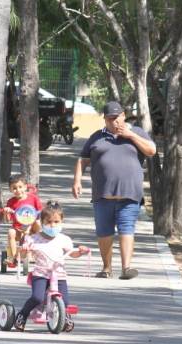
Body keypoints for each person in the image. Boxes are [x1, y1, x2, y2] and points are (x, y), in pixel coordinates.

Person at [71, 101, 156, 280]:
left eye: (117, 118)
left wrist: (130, 135)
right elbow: (83, 160)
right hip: (103, 194)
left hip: (130, 193)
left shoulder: (137, 132)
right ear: (105, 119)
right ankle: (106, 268)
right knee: (104, 233)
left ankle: (126, 269)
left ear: (124, 115)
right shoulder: (96, 137)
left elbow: (151, 151)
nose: (114, 122)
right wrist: (77, 180)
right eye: (110, 119)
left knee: (127, 229)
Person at [14, 201, 89, 332]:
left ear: (61, 221)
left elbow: (72, 253)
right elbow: (23, 255)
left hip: (59, 274)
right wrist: (25, 249)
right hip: (41, 274)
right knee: (37, 298)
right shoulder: (33, 238)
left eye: (56, 222)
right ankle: (22, 315)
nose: (52, 225)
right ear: (42, 222)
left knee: (64, 301)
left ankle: (64, 317)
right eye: (48, 222)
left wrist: (80, 251)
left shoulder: (63, 239)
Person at [0, 174, 43, 268]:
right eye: (14, 188)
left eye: (20, 187)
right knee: (11, 232)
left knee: (38, 222)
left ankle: (32, 251)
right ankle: (13, 257)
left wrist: (34, 220)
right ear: (10, 189)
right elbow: (8, 220)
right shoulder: (11, 202)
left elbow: (40, 212)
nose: (18, 190)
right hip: (18, 228)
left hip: (32, 227)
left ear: (25, 187)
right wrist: (6, 212)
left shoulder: (33, 198)